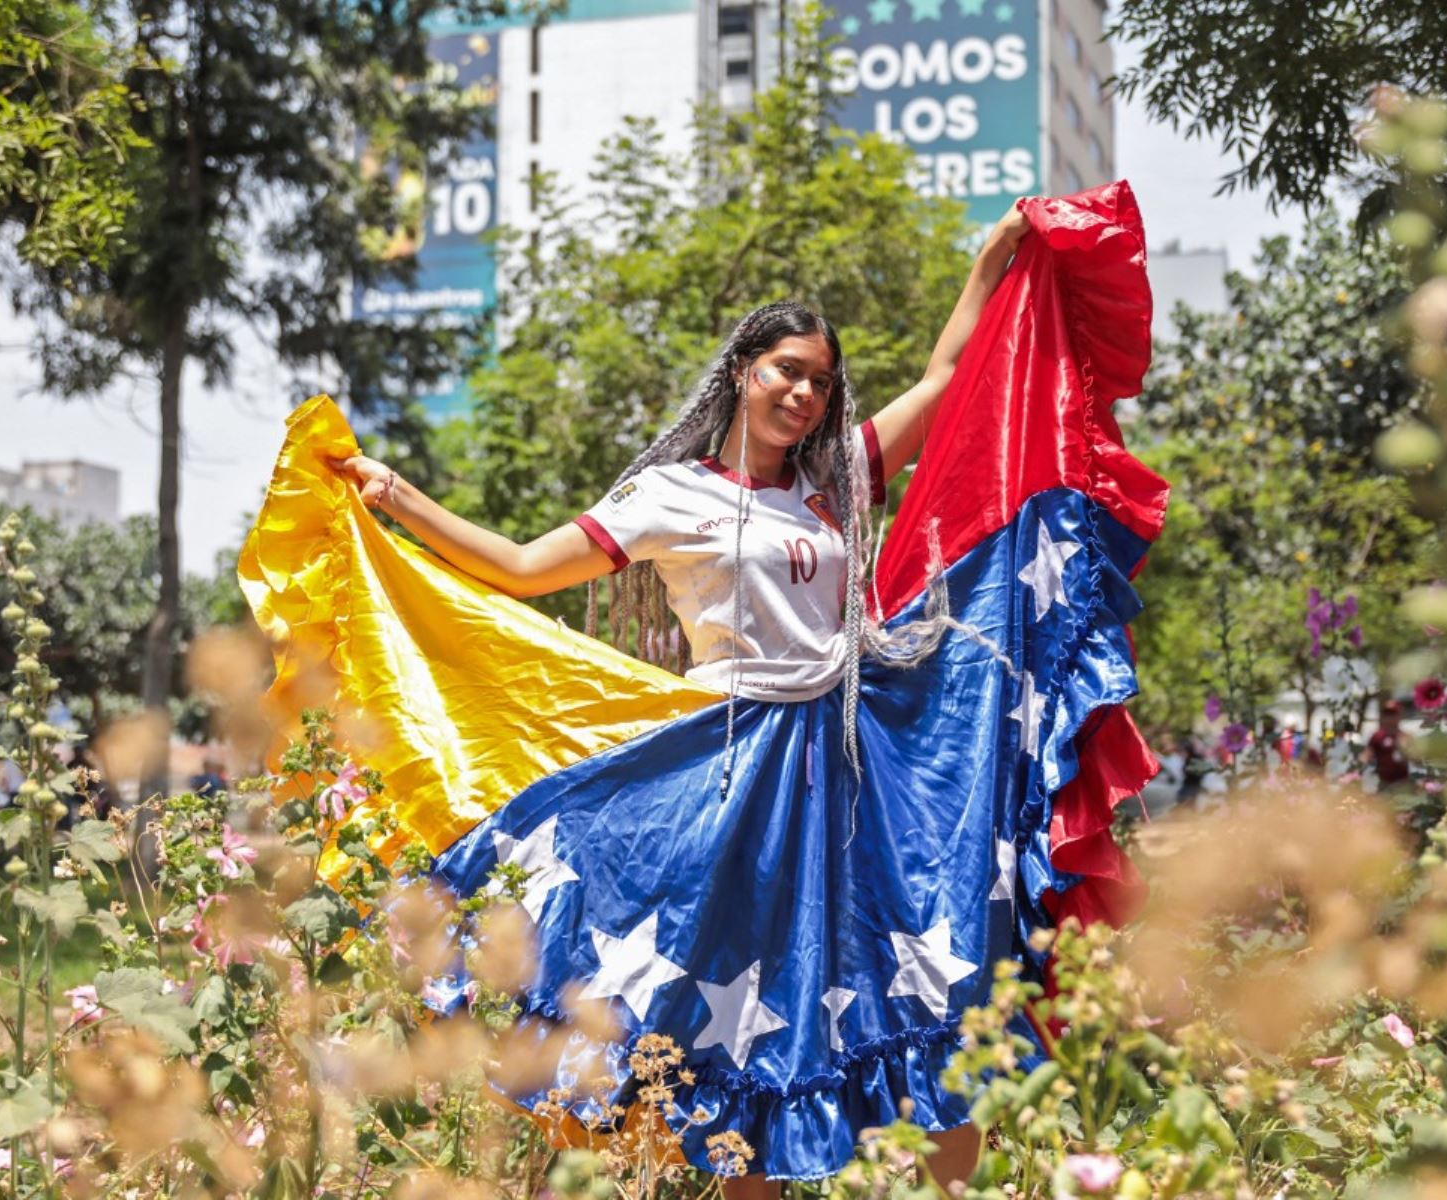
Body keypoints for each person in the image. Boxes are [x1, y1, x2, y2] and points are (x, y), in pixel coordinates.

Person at [263, 185, 1163, 1187]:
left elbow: (946, 375)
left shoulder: (831, 488)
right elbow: (520, 567)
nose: (806, 397)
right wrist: (399, 498)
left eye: (821, 383)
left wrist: (995, 253)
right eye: (788, 373)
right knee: (749, 1021)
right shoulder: (669, 495)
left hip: (856, 769)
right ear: (742, 372)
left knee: (917, 981)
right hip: (735, 777)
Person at [1365, 699, 1411, 790]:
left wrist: (1406, 752)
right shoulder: (1377, 736)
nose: (1390, 718)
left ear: (1399, 715)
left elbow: (1416, 759)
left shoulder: (1406, 737)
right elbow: (1367, 755)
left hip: (1402, 784)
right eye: (1387, 714)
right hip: (1384, 784)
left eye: (1393, 714)